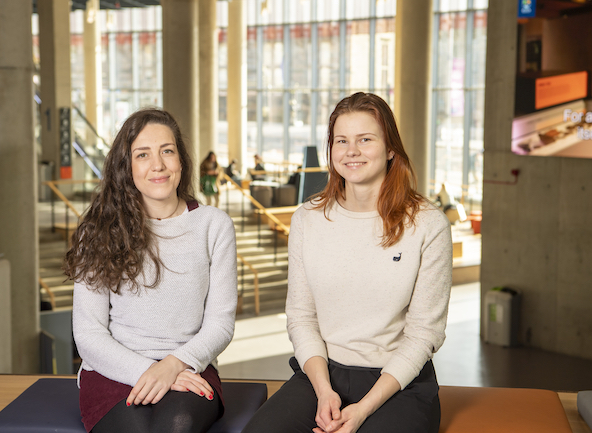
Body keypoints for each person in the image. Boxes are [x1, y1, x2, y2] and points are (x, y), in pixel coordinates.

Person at [242, 92, 452, 433]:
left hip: (398, 381)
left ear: (390, 150)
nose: (351, 151)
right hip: (323, 373)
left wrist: (363, 409)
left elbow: (424, 333)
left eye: (365, 139)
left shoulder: (427, 224)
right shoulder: (308, 218)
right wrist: (324, 392)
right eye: (342, 141)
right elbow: (301, 315)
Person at [64, 108, 238, 433]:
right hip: (112, 369)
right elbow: (88, 335)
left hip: (188, 365)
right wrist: (149, 370)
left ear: (181, 161)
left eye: (167, 151)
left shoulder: (214, 226)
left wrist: (171, 367)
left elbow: (221, 324)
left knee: (178, 423)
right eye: (142, 154)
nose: (157, 164)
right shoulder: (98, 230)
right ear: (127, 167)